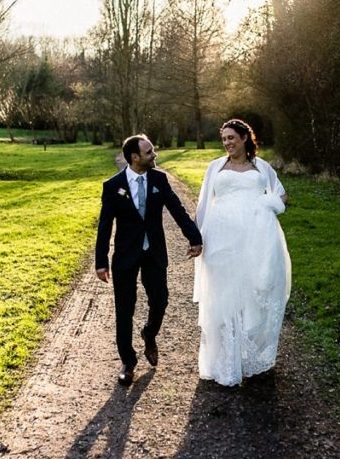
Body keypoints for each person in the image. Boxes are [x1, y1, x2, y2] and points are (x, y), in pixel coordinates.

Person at [95, 135, 203, 385]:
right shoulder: (113, 186)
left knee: (160, 300)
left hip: (154, 252)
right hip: (125, 255)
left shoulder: (159, 179)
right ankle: (128, 362)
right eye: (149, 151)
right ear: (134, 157)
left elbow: (177, 209)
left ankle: (149, 332)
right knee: (124, 308)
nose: (154, 155)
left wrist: (194, 237)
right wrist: (101, 261)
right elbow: (105, 225)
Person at [193, 118, 291, 387]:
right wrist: (196, 238)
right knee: (222, 296)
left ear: (245, 138)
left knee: (250, 293)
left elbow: (281, 195)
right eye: (224, 139)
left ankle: (248, 356)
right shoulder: (216, 167)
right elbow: (203, 204)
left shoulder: (261, 167)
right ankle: (224, 361)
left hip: (254, 238)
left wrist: (265, 205)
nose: (227, 143)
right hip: (220, 239)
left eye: (231, 138)